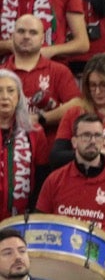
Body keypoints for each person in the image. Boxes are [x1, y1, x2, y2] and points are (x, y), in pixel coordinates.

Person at [37, 107, 105, 247]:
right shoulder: (55, 179)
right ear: (74, 142)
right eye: (86, 135)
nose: (92, 141)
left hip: (104, 262)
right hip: (62, 259)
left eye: (97, 136)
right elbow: (40, 223)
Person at [4, 13, 81, 128]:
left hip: (50, 142)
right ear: (12, 36)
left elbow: (77, 105)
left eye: (33, 32)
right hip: (8, 142)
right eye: (21, 31)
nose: (26, 36)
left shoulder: (59, 71)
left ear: (42, 39)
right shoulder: (2, 73)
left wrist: (41, 119)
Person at [0, 70, 48, 219]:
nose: (5, 96)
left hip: (21, 217)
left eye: (11, 90)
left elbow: (42, 177)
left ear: (19, 97)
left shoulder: (35, 132)